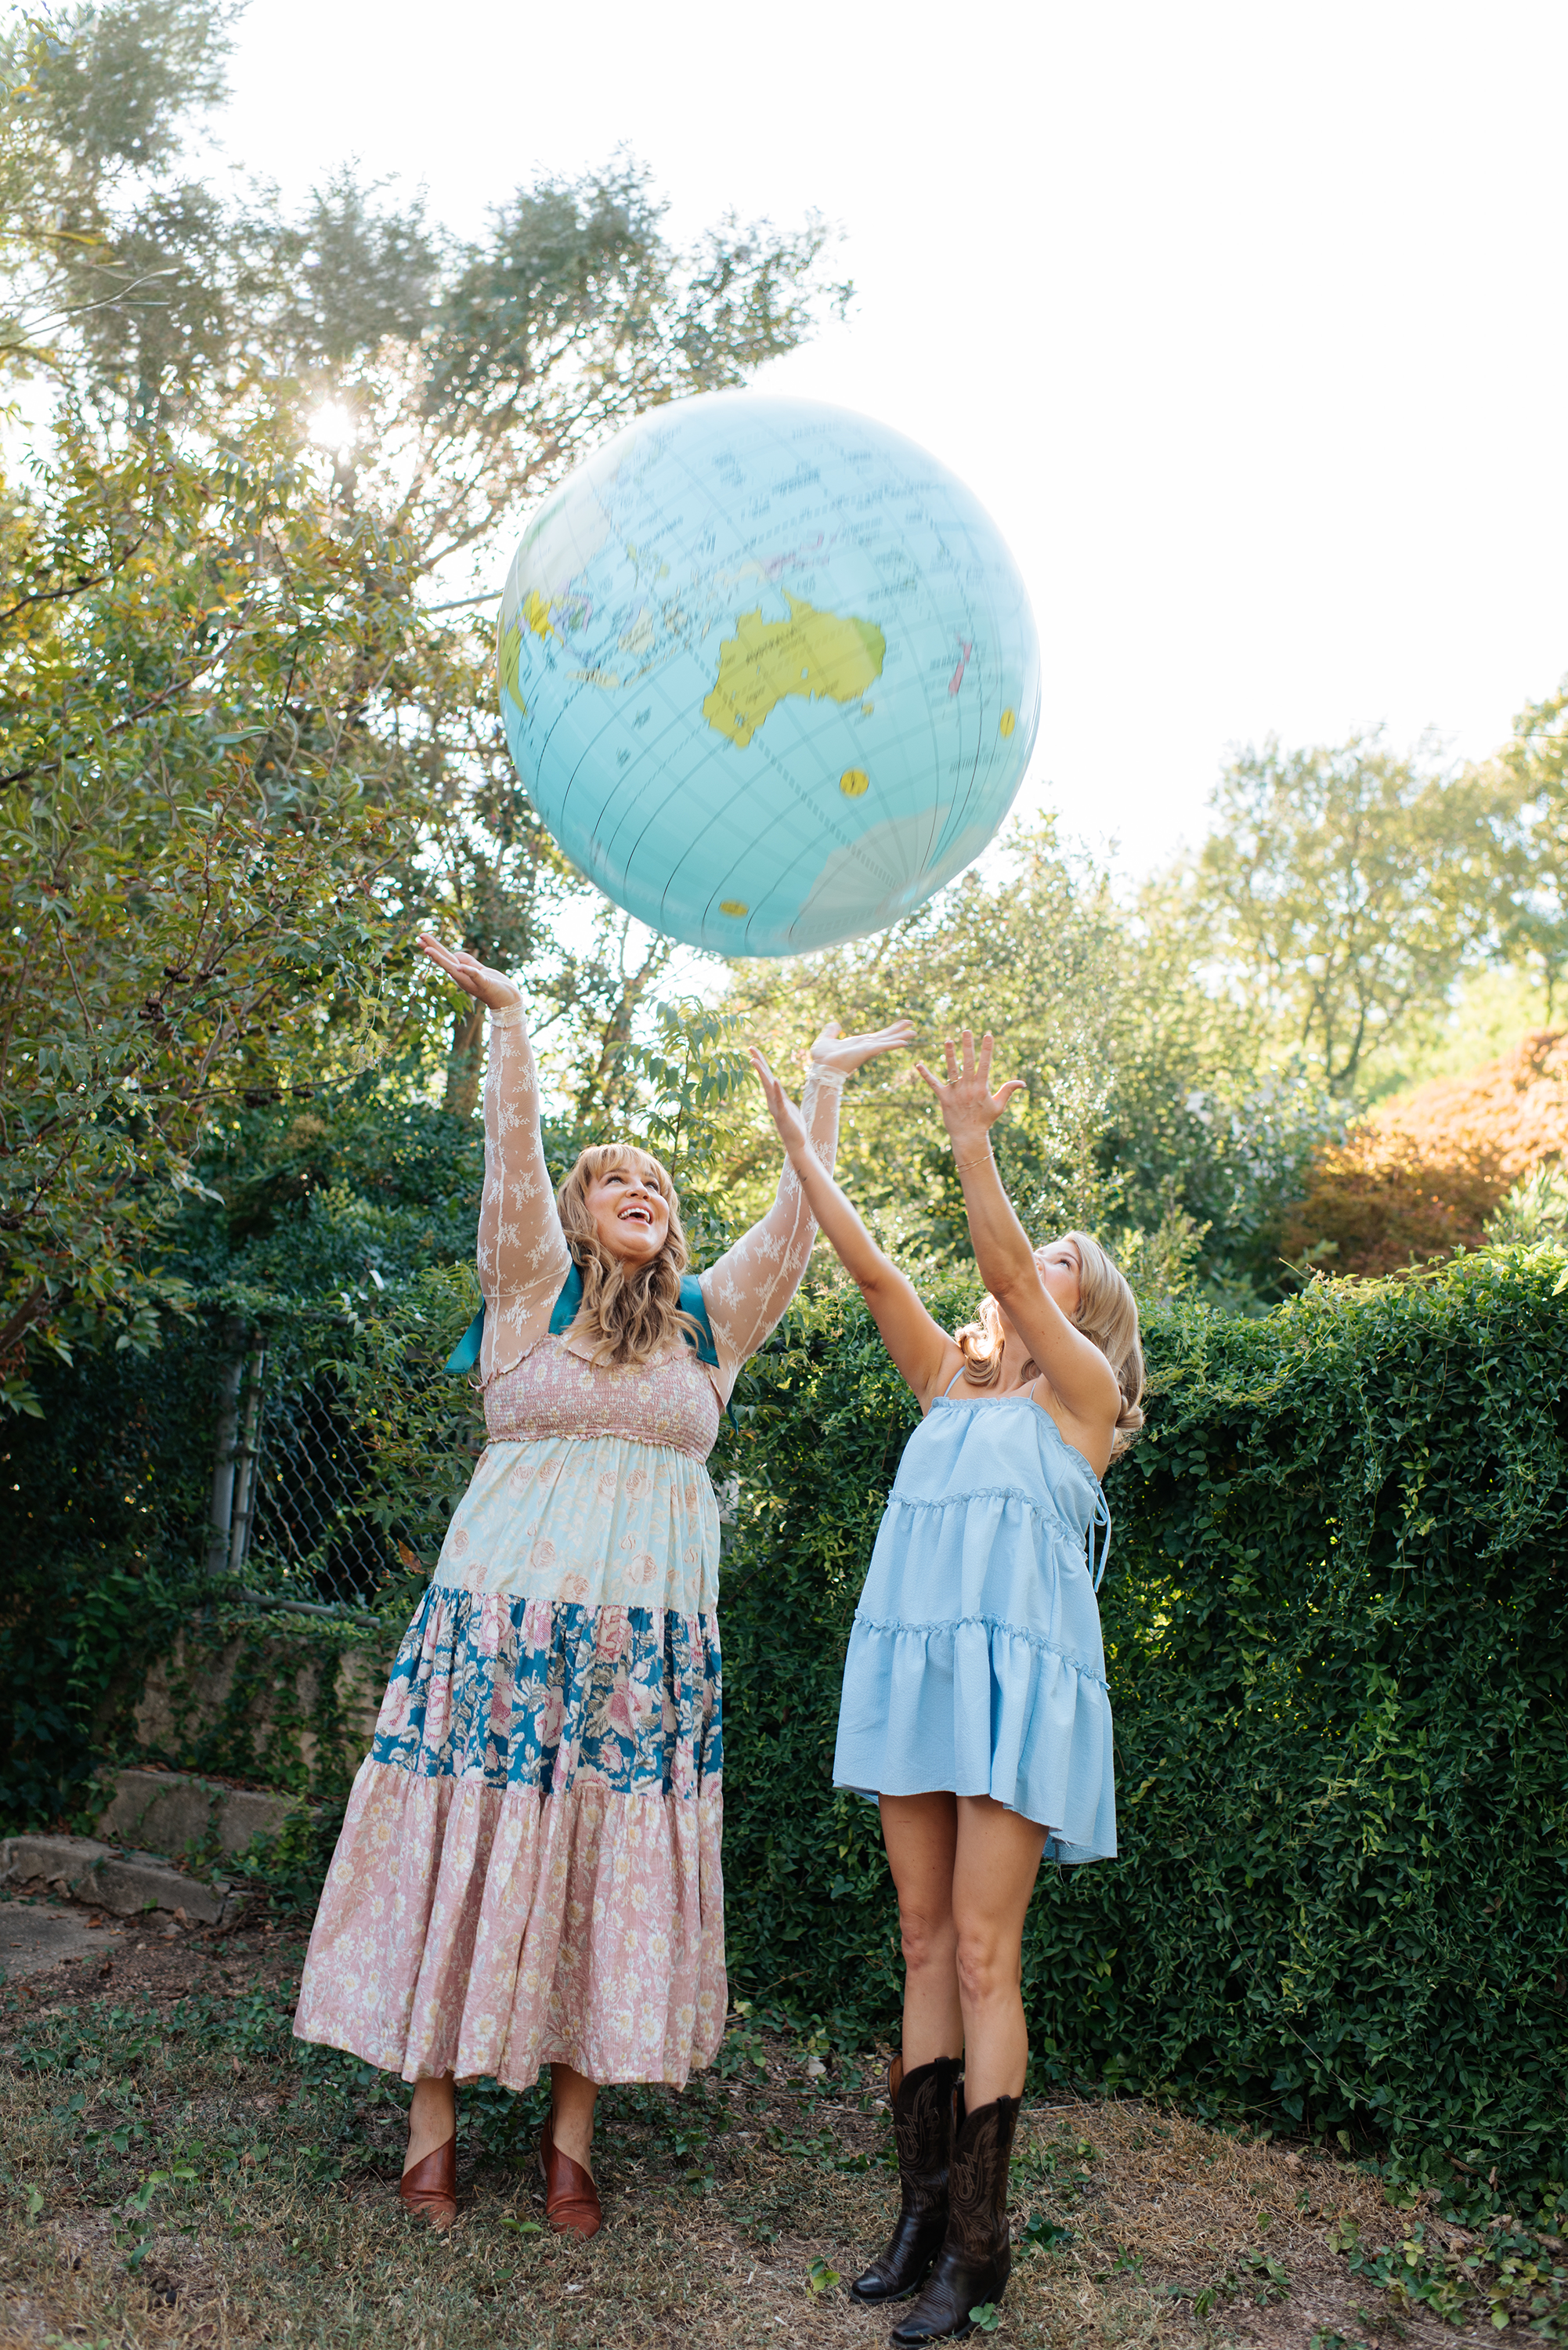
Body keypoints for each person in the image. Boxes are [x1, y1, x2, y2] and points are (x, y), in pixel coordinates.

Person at [293, 935, 912, 2234]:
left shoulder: (704, 1325)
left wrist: (821, 1083)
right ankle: (432, 2128)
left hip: (642, 1658)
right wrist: (512, 1022)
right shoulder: (527, 1298)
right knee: (471, 1850)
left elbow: (799, 1228)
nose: (638, 1190)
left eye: (656, 1182)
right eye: (612, 1179)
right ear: (579, 1216)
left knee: (598, 1864)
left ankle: (571, 2144)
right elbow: (508, 1173)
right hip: (499, 1637)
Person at [749, 1027, 1143, 2345]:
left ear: (1082, 1309)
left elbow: (999, 1275)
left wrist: (973, 1140)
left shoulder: (1078, 1400)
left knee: (983, 1951)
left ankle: (978, 2249)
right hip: (919, 1671)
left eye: (1062, 1263)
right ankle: (918, 2214)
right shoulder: (943, 1381)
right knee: (918, 1942)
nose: (1037, 1264)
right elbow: (867, 1267)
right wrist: (806, 1133)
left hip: (1019, 1691)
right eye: (1039, 1250)